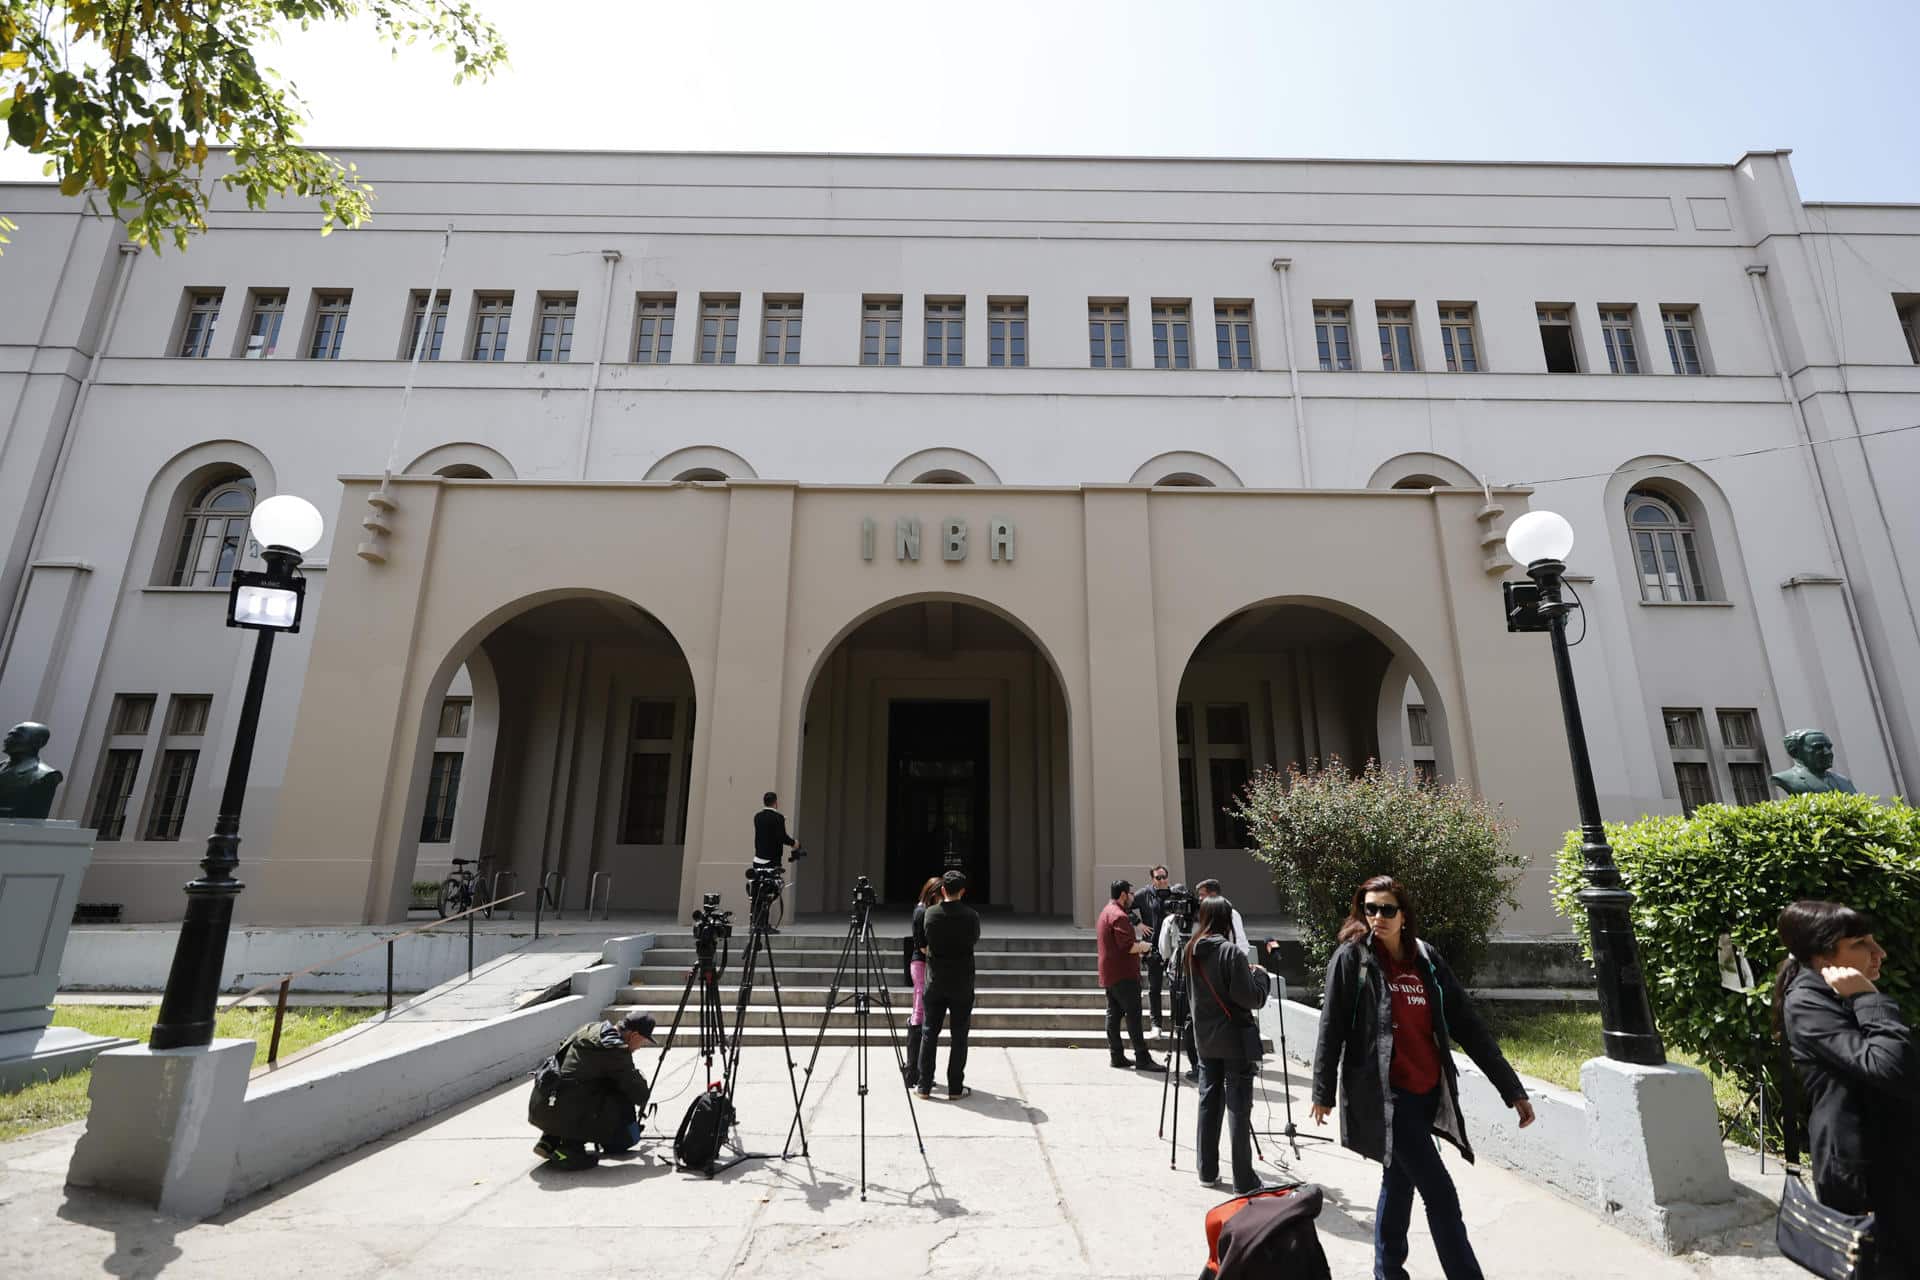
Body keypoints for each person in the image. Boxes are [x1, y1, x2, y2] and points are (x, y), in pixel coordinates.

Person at [1309, 875, 1534, 1280]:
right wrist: (1322, 1090)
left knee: (1398, 1184)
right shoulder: (1353, 959)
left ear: (1404, 915)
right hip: (1387, 1097)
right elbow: (1332, 1026)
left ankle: (1387, 1272)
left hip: (1426, 1091)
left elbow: (1467, 1024)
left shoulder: (1425, 959)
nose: (1377, 917)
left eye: (1387, 909)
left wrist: (1510, 1087)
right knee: (1441, 1194)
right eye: (1370, 908)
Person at [1774, 899, 1918, 1277]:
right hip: (1863, 1174)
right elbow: (1887, 1065)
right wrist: (1868, 998)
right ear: (1823, 956)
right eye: (1861, 944)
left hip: (1892, 1161)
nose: (1879, 953)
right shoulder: (1808, 1002)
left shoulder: (1838, 992)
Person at [1188, 895, 1273, 1193]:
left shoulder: (1190, 950)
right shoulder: (1232, 954)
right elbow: (1250, 998)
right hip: (1234, 1040)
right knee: (1238, 1107)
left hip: (1205, 1038)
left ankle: (1206, 1171)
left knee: (1208, 1101)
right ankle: (1243, 1179)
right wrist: (1261, 979)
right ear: (1227, 919)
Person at [528, 1011, 656, 1171]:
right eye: (643, 1042)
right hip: (565, 1108)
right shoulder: (615, 1049)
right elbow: (640, 1094)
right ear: (634, 1035)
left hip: (544, 1107)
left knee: (584, 1082)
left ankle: (549, 1139)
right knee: (617, 1107)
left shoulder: (591, 1028)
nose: (640, 1047)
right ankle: (568, 1151)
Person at [917, 870, 981, 1100]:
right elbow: (973, 940)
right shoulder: (971, 916)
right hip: (962, 983)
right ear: (962, 891)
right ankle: (955, 1086)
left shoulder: (930, 914)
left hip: (935, 982)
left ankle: (924, 1085)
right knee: (959, 1036)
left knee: (929, 1033)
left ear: (942, 890)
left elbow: (923, 943)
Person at [1098, 879, 1166, 1072]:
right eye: (1130, 893)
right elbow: (1128, 946)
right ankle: (1142, 1057)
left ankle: (1116, 1055)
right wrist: (1145, 946)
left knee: (1113, 1014)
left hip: (1110, 972)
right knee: (1133, 1016)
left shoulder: (1106, 911)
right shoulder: (1119, 916)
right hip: (1124, 974)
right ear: (1123, 895)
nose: (1132, 897)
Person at [904, 875, 942, 1091]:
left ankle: (918, 1070)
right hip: (921, 965)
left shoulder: (926, 910)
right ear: (933, 893)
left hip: (924, 964)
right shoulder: (921, 912)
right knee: (919, 1013)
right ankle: (913, 1071)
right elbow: (922, 946)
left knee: (922, 1012)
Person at [1158, 883, 1200, 1081]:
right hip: (1201, 974)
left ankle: (1194, 1064)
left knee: (1183, 1021)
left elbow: (1164, 950)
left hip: (1180, 974)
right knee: (1196, 1020)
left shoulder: (1169, 921)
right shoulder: (1203, 919)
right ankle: (1202, 1065)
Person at [751, 791, 796, 931]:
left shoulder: (757, 817)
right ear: (775, 802)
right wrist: (794, 843)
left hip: (758, 859)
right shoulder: (778, 817)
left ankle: (755, 923)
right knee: (770, 892)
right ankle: (763, 923)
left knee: (757, 892)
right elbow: (781, 837)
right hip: (771, 861)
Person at [1134, 865, 1171, 1033]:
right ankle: (1156, 1024)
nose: (1162, 880)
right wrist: (1138, 923)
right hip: (1152, 947)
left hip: (1171, 948)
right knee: (1154, 987)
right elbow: (1124, 906)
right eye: (1159, 878)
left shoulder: (1173, 894)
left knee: (1175, 987)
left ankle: (1177, 1023)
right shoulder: (1144, 894)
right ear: (1152, 879)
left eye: (1164, 877)